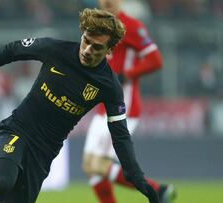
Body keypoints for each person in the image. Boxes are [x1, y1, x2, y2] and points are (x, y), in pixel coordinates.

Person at [0, 8, 160, 203]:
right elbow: (13, 50)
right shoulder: (56, 50)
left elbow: (120, 136)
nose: (88, 50)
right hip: (16, 131)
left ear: (110, 49)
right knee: (2, 183)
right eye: (86, 41)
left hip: (43, 154)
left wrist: (137, 178)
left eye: (97, 47)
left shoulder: (110, 86)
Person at [82, 0, 176, 203]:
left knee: (96, 164)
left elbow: (155, 59)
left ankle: (157, 191)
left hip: (123, 105)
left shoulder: (131, 26)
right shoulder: (98, 25)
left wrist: (126, 75)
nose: (107, 1)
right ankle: (157, 191)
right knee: (92, 168)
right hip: (103, 104)